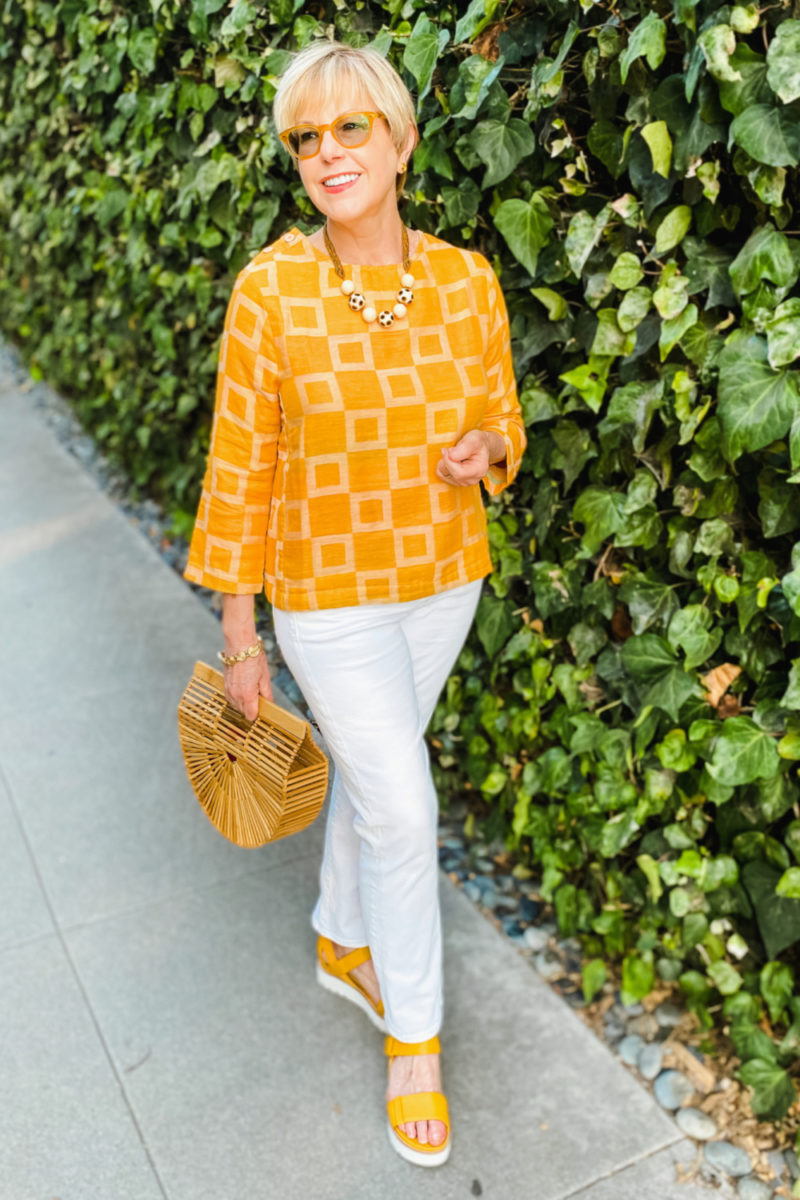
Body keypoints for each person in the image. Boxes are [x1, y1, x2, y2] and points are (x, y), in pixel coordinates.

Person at [183, 39, 526, 1167]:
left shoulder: (467, 278)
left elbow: (502, 421)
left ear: (399, 138)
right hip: (326, 598)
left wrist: (486, 447)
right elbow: (240, 466)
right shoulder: (271, 291)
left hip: (444, 581)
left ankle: (341, 939)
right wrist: (240, 631)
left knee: (382, 787)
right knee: (407, 806)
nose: (327, 153)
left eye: (349, 129)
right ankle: (415, 1043)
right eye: (304, 137)